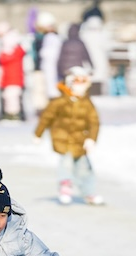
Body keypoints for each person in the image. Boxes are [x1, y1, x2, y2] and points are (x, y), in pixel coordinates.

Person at [34, 66, 102, 206]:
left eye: (84, 83)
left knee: (85, 167)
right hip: (62, 140)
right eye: (78, 82)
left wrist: (91, 139)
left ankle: (88, 192)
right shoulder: (59, 102)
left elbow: (94, 122)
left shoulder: (87, 103)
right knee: (66, 163)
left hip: (79, 141)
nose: (81, 86)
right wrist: (38, 134)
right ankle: (65, 187)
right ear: (70, 83)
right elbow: (46, 118)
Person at [0, 26, 25, 121]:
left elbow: (3, 60)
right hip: (12, 78)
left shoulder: (10, 55)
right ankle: (12, 114)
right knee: (11, 97)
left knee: (12, 97)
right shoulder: (17, 52)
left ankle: (13, 114)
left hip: (12, 79)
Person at [36, 11, 62, 105]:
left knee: (50, 88)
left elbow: (45, 53)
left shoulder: (51, 38)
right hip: (46, 67)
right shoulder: (43, 37)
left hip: (50, 67)